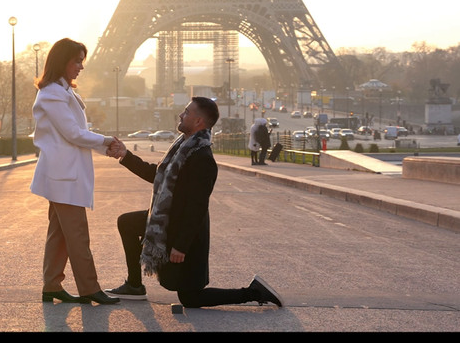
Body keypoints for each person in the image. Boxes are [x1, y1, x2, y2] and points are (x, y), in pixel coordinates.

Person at [104, 97, 283, 308]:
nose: (181, 115)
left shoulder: (201, 157)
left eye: (186, 112)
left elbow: (197, 208)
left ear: (198, 121)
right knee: (127, 222)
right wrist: (125, 155)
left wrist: (180, 246)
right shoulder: (182, 147)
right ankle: (134, 285)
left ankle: (253, 292)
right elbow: (157, 174)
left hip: (187, 235)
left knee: (191, 298)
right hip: (169, 221)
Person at [29, 38, 119, 305]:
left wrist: (104, 146)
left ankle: (52, 285)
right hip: (63, 176)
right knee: (77, 235)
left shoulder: (61, 91)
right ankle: (90, 288)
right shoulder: (53, 94)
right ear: (62, 62)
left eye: (82, 60)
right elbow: (72, 133)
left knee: (59, 234)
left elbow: (74, 135)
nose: (81, 66)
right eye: (76, 61)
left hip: (63, 174)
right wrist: (106, 141)